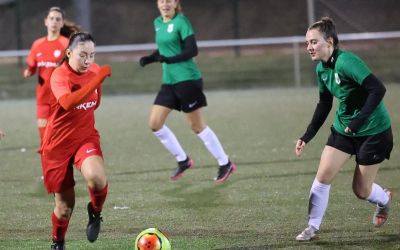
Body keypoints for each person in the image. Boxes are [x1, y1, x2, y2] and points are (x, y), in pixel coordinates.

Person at [295, 17, 393, 241]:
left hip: (373, 132)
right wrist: (307, 135)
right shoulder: (322, 68)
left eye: (313, 42)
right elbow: (324, 104)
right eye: (307, 43)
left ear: (329, 41)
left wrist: (357, 122)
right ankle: (312, 227)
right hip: (344, 129)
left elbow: (378, 89)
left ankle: (384, 199)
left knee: (361, 190)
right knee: (322, 177)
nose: (309, 47)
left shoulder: (346, 62)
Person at [139, 0, 236, 183]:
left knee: (197, 126)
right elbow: (164, 48)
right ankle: (183, 160)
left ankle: (225, 163)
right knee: (155, 124)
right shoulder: (158, 23)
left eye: (169, 1)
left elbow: (192, 50)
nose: (165, 4)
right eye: (162, 1)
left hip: (188, 80)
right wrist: (151, 58)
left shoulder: (182, 22)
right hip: (169, 82)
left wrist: (169, 59)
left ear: (176, 3)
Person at [40, 32, 111, 250]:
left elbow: (94, 103)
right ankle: (58, 242)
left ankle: (95, 213)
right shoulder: (59, 75)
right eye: (82, 55)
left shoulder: (95, 71)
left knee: (97, 178)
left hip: (84, 137)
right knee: (64, 207)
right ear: (69, 52)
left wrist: (96, 78)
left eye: (92, 55)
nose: (88, 61)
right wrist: (97, 80)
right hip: (57, 145)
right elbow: (69, 102)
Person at [23, 7, 79, 146]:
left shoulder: (66, 44)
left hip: (61, 99)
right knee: (45, 141)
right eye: (51, 18)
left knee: (61, 139)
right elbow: (32, 66)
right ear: (46, 22)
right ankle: (48, 168)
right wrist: (29, 71)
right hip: (43, 98)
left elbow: (75, 69)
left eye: (58, 19)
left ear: (61, 23)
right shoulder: (37, 44)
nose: (54, 21)